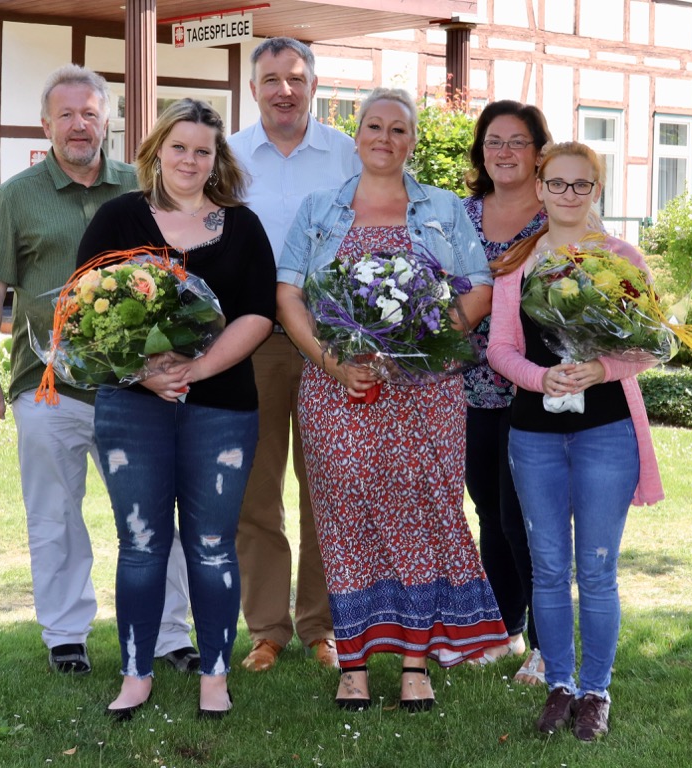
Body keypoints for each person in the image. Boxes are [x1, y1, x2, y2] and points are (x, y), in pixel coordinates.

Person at [276, 87, 508, 713]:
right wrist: (330, 363)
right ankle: (351, 662)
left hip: (425, 392)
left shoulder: (443, 209)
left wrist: (416, 348)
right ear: (357, 136)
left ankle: (414, 661)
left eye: (399, 129)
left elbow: (479, 288)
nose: (385, 138)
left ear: (411, 140)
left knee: (424, 513)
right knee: (345, 516)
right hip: (337, 392)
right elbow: (289, 293)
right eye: (374, 126)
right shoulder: (320, 207)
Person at [0, 64, 197, 677]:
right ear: (46, 124)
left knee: (153, 513)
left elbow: (178, 275)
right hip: (48, 388)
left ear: (108, 121)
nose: (79, 125)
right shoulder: (16, 196)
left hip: (136, 386)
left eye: (90, 113)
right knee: (54, 515)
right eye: (66, 114)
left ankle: (170, 635)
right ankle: (65, 635)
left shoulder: (141, 187)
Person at [75, 99, 276, 721]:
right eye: (180, 147)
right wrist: (143, 370)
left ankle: (214, 675)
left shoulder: (242, 226)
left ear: (217, 160)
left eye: (203, 151)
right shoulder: (116, 218)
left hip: (221, 408)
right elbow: (83, 309)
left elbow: (258, 315)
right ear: (157, 149)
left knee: (213, 544)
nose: (190, 160)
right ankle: (136, 672)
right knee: (139, 543)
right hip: (132, 407)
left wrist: (195, 368)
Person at [486, 141, 665, 741]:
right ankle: (559, 683)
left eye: (580, 185)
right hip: (534, 433)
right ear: (539, 188)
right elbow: (501, 349)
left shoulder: (621, 259)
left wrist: (600, 369)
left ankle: (595, 690)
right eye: (556, 183)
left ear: (597, 190)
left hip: (605, 432)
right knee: (547, 565)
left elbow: (647, 346)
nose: (567, 195)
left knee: (596, 566)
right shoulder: (519, 264)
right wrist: (543, 378)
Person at [226, 37, 360, 673]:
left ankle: (320, 627)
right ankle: (268, 630)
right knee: (257, 492)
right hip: (252, 342)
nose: (284, 89)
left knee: (326, 488)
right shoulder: (226, 155)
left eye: (296, 78)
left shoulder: (345, 155)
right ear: (253, 89)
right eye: (271, 78)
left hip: (329, 341)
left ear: (313, 86)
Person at [459, 101, 552, 684]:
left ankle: (546, 643)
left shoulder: (556, 215)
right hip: (468, 385)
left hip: (534, 387)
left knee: (529, 516)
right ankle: (504, 628)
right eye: (494, 141)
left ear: (539, 152)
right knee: (489, 508)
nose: (505, 152)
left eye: (517, 142)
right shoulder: (459, 214)